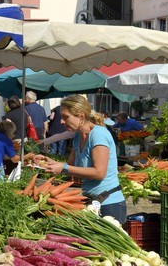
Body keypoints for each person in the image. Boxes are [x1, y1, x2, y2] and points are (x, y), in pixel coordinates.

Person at [33, 95, 127, 224]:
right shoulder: (77, 137)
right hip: (90, 202)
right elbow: (71, 166)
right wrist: (47, 162)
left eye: (66, 117)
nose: (61, 122)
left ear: (81, 116)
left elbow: (99, 173)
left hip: (109, 204)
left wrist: (64, 168)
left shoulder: (98, 134)